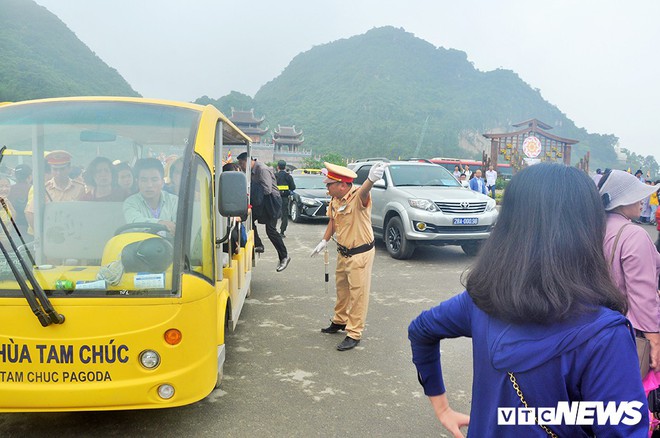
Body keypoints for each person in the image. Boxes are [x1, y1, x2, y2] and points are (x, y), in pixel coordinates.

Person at [409, 163, 648, 437]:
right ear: (589, 228)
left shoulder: (482, 301)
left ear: (509, 226)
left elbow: (421, 329)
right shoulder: (605, 336)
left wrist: (442, 408)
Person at [598, 169, 660, 431]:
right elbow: (643, 295)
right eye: (636, 197)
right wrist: (655, 340)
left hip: (599, 328)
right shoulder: (634, 235)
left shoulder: (595, 228)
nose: (641, 202)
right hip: (632, 334)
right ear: (622, 201)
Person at [310, 161, 386, 351]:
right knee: (342, 289)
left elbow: (364, 192)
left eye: (329, 184)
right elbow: (333, 221)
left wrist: (371, 179)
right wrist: (324, 240)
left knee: (358, 294)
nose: (326, 188)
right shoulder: (335, 199)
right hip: (343, 252)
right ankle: (340, 320)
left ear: (342, 185)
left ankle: (354, 333)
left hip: (360, 254)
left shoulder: (357, 197)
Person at [237, 152, 290, 272]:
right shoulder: (250, 171)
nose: (241, 167)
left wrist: (252, 193)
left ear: (248, 161)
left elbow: (267, 189)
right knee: (247, 219)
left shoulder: (262, 169)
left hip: (271, 201)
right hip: (261, 201)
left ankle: (284, 257)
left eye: (241, 164)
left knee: (270, 230)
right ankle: (259, 245)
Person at [25, 150, 85, 231]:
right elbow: (30, 213)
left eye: (62, 169)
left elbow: (84, 213)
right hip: (53, 236)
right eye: (55, 169)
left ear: (69, 169)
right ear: (51, 170)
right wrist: (42, 234)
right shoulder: (43, 189)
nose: (58, 173)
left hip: (74, 233)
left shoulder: (79, 188)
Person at [123, 158, 178, 235]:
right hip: (141, 246)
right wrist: (160, 223)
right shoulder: (130, 202)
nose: (149, 185)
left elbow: (179, 226)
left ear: (162, 182)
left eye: (154, 180)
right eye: (144, 180)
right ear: (137, 182)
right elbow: (135, 222)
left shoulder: (174, 201)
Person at [8, 164, 32, 235]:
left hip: (12, 229)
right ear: (30, 176)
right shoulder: (34, 189)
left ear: (15, 176)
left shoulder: (9, 190)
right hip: (30, 229)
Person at [275, 160, 296, 238]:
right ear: (285, 167)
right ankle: (282, 232)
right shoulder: (288, 176)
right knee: (284, 215)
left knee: (274, 214)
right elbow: (293, 187)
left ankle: (273, 231)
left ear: (278, 167)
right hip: (284, 198)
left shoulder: (275, 176)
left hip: (275, 198)